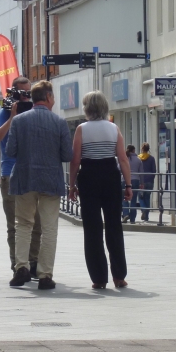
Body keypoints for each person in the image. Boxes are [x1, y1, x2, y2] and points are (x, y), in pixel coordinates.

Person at [6, 80, 73, 290]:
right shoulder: (59, 122)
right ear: (49, 97)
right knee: (49, 227)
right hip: (50, 179)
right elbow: (67, 155)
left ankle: (22, 267)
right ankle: (45, 274)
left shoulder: (19, 121)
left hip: (25, 177)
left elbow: (10, 151)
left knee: (23, 224)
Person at [68, 91, 131, 290]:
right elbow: (122, 159)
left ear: (87, 108)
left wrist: (72, 185)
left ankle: (99, 278)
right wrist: (128, 185)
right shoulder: (113, 128)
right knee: (114, 226)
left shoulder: (81, 129)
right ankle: (119, 276)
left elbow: (75, 160)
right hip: (110, 176)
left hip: (89, 177)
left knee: (92, 228)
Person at [0, 76, 42, 277]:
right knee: (14, 224)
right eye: (23, 93)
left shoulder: (35, 112)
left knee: (36, 223)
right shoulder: (5, 113)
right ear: (13, 93)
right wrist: (12, 117)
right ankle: (18, 265)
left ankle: (34, 262)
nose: (26, 97)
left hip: (33, 172)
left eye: (29, 93)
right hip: (10, 173)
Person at [122, 145, 144, 224]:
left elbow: (119, 167)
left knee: (124, 198)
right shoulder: (138, 160)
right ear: (134, 150)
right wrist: (142, 183)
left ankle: (126, 214)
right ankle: (132, 219)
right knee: (133, 200)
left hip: (124, 179)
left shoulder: (125, 158)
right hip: (135, 180)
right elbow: (141, 172)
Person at [138, 143, 156, 222]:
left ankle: (144, 210)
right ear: (148, 149)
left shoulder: (139, 158)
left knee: (140, 197)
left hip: (141, 181)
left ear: (142, 149)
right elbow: (154, 170)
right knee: (147, 198)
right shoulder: (151, 158)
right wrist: (152, 178)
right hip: (149, 181)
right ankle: (146, 216)